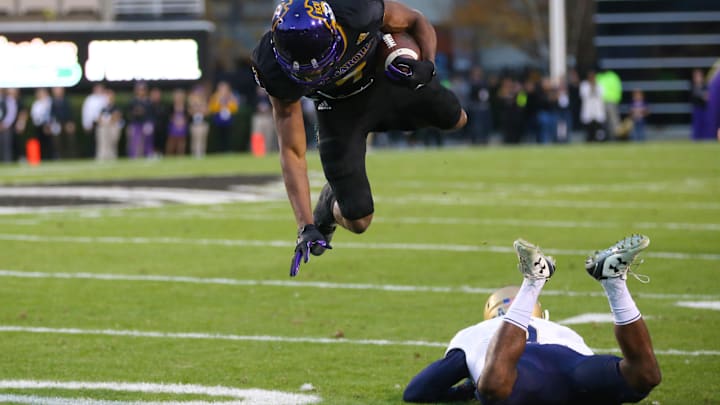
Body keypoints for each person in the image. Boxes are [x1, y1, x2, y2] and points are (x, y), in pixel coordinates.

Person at [251, 0, 467, 276]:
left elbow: (415, 20)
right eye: (306, 70)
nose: (315, 73)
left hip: (387, 79)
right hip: (339, 111)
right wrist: (305, 225)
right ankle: (329, 205)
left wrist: (428, 64)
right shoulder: (270, 66)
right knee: (358, 220)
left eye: (319, 65)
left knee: (457, 119)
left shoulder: (355, 10)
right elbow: (292, 150)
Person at [403, 234, 661, 404]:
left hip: (523, 381)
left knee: (493, 386)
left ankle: (534, 281)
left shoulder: (474, 333)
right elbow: (595, 365)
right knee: (645, 375)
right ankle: (614, 282)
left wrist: (464, 391)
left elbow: (417, 391)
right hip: (572, 371)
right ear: (541, 312)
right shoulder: (559, 328)